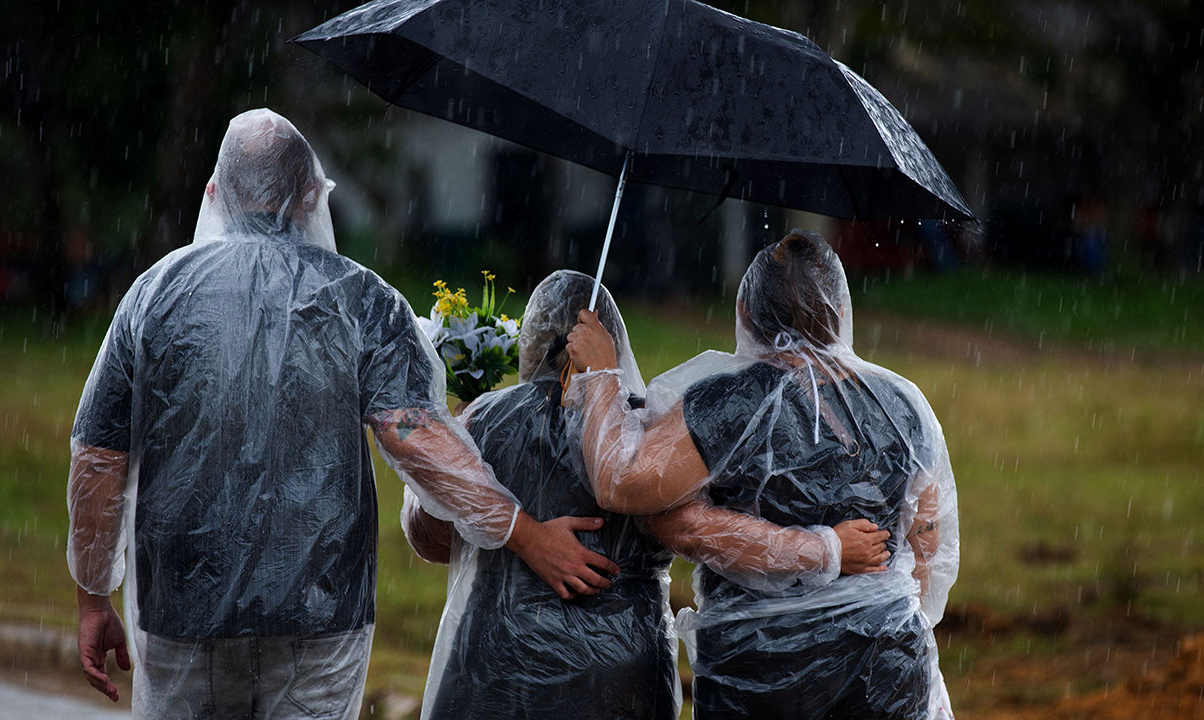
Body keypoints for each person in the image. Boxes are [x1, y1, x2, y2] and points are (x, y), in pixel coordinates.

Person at [65, 108, 617, 720]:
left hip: (183, 608)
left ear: (214, 193)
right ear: (309, 198)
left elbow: (98, 460)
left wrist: (94, 597)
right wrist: (528, 534)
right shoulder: (362, 299)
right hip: (320, 612)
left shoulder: (154, 296)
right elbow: (416, 437)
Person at [403, 270, 894, 719]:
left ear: (530, 341)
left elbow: (430, 539)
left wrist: (470, 461)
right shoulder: (649, 434)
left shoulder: (482, 422)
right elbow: (688, 529)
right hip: (621, 678)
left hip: (491, 673)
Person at [566, 230, 959, 720]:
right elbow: (923, 546)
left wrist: (601, 374)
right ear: (839, 314)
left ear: (746, 315)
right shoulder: (903, 404)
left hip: (759, 671)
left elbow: (623, 483)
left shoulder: (729, 403)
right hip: (888, 668)